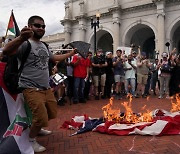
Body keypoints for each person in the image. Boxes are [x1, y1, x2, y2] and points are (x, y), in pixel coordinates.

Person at [2, 15, 76, 153]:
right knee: (40, 117)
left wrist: (71, 53)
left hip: (46, 87)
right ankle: (31, 141)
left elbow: (54, 58)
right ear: (30, 26)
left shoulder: (44, 45)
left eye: (43, 26)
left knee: (51, 113)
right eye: (37, 25)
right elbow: (6, 51)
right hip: (30, 87)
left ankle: (37, 127)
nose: (41, 28)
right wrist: (21, 38)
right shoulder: (25, 43)